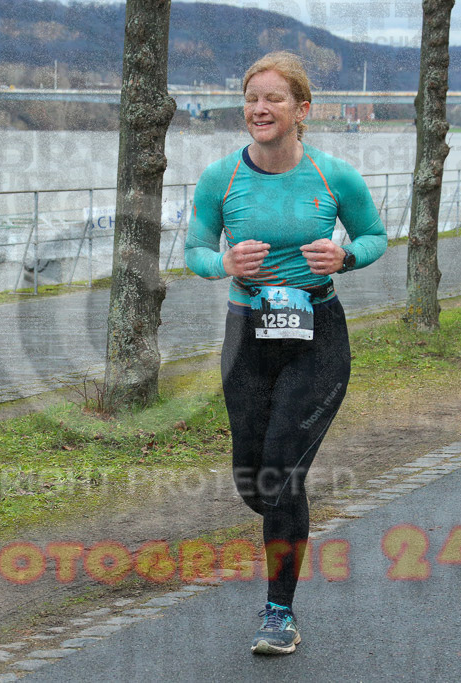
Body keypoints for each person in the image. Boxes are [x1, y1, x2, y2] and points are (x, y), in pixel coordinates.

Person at [184, 51, 387, 655]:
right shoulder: (220, 179)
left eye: (273, 98)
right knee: (254, 481)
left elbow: (376, 235)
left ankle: (279, 613)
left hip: (316, 336)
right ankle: (279, 507)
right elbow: (194, 250)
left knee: (280, 474)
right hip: (248, 333)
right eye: (251, 98)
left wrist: (344, 257)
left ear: (302, 110)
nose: (259, 108)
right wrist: (223, 263)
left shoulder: (334, 177)